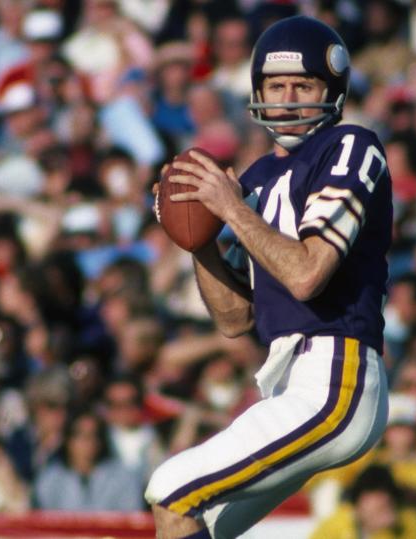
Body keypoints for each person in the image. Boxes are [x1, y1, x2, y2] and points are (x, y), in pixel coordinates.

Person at [144, 15, 393, 539]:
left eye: (303, 86)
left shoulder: (349, 146)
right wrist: (198, 239)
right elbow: (235, 318)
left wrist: (231, 210)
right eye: (276, 86)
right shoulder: (257, 177)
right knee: (199, 520)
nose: (288, 100)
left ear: (333, 91)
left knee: (171, 488)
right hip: (284, 381)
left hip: (335, 376)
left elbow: (307, 274)